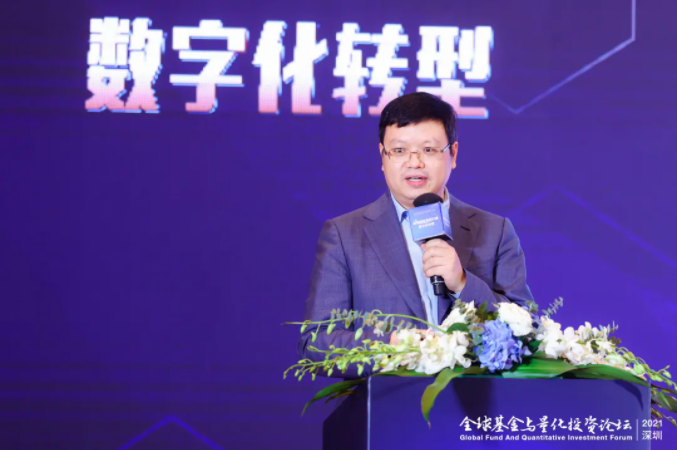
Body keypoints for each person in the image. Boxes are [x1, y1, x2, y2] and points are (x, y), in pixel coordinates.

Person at [297, 92, 534, 377]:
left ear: (453, 154)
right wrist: (392, 347)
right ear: (382, 157)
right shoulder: (344, 235)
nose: (414, 162)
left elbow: (528, 330)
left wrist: (462, 283)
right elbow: (316, 342)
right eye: (399, 150)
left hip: (474, 400)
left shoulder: (494, 231)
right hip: (389, 399)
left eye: (428, 150)